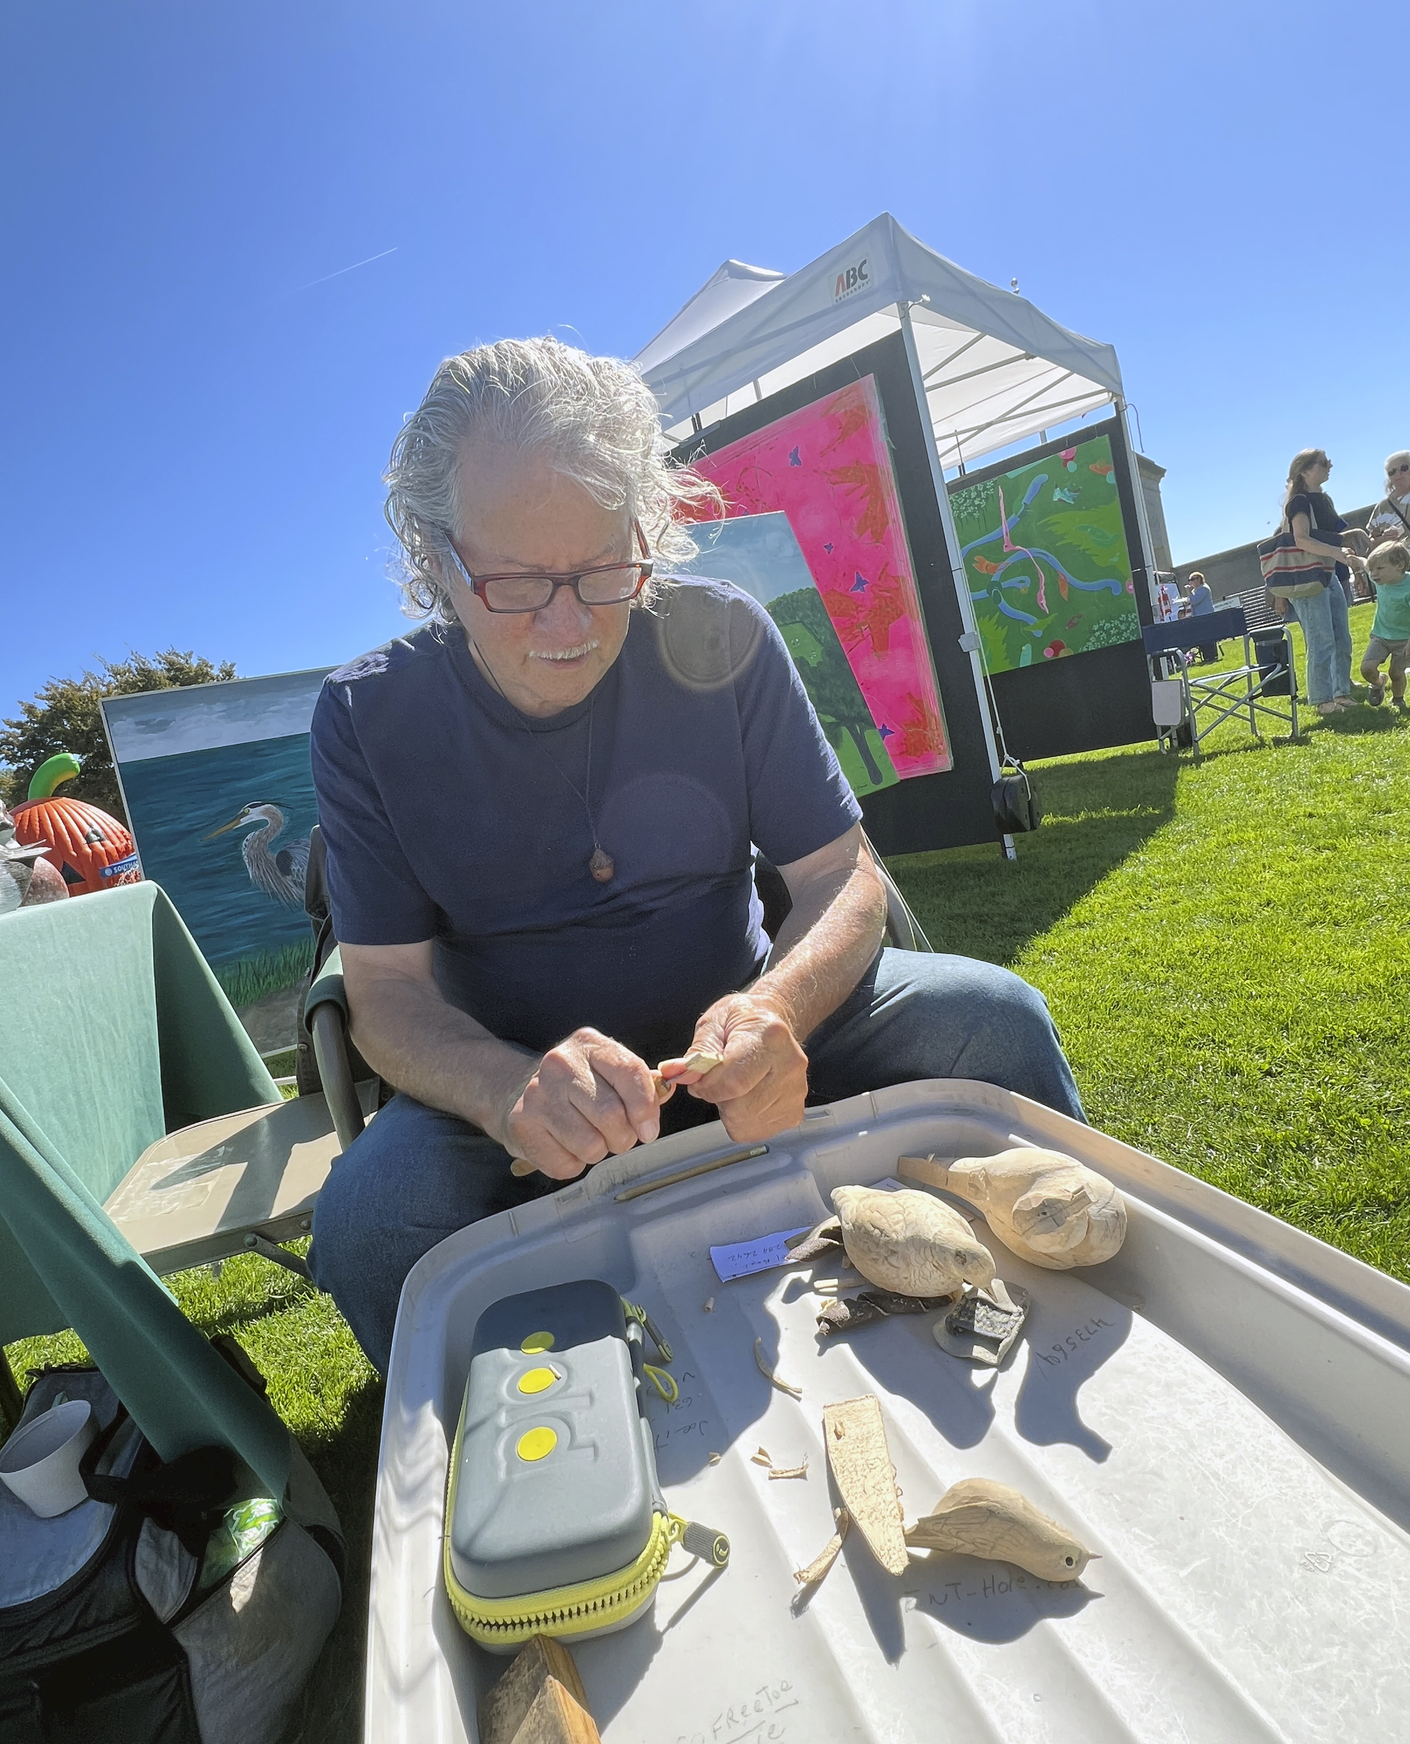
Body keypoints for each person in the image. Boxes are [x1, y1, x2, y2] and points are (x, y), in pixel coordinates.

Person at [306, 338, 1086, 1372]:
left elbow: (840, 874)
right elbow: (386, 995)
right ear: (439, 560)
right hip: (517, 1084)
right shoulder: (367, 714)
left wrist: (775, 1008)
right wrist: (505, 1089)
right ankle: (497, 1472)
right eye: (517, 584)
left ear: (647, 528)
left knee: (996, 1021)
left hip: (749, 1030)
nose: (572, 624)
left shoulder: (722, 635)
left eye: (603, 568)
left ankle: (1068, 1302)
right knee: (369, 1221)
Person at [1273, 449, 1364, 715]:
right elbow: (1301, 539)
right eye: (1323, 463)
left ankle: (1341, 691)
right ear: (1305, 471)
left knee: (1341, 637)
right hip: (1308, 577)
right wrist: (1337, 552)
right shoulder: (1298, 502)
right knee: (1321, 638)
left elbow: (1335, 533)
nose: (1329, 467)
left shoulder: (1322, 500)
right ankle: (1322, 700)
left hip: (1327, 573)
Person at [1359, 541, 1410, 711]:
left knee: (1396, 672)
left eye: (1379, 569)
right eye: (1372, 570)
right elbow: (1364, 564)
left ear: (1399, 566)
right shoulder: (1382, 581)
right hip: (1381, 636)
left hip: (1405, 640)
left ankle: (1398, 700)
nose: (1373, 574)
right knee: (1366, 668)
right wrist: (1351, 558)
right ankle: (1379, 682)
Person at [1366, 450, 1410, 551]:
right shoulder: (1383, 506)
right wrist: (1382, 540)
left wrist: (1403, 529)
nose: (1398, 474)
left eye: (1404, 468)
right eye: (1392, 472)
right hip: (1394, 562)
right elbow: (1369, 542)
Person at [1184, 571, 1220, 661]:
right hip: (1199, 617)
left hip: (1206, 616)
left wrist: (1188, 592)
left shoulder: (1204, 589)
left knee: (1208, 637)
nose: (1190, 582)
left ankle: (1212, 656)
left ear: (1199, 579)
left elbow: (1195, 600)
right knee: (1203, 637)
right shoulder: (1195, 591)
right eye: (1189, 580)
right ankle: (1206, 656)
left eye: (1192, 579)